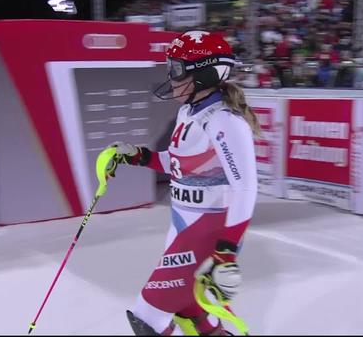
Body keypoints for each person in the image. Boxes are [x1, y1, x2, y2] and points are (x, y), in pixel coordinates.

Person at [108, 31, 260, 335]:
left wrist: (226, 253)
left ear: (204, 73)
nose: (171, 76)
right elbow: (177, 164)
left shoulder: (224, 121)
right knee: (192, 311)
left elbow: (246, 188)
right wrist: (137, 156)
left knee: (147, 316)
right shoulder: (187, 112)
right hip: (183, 226)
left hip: (208, 233)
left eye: (177, 69)